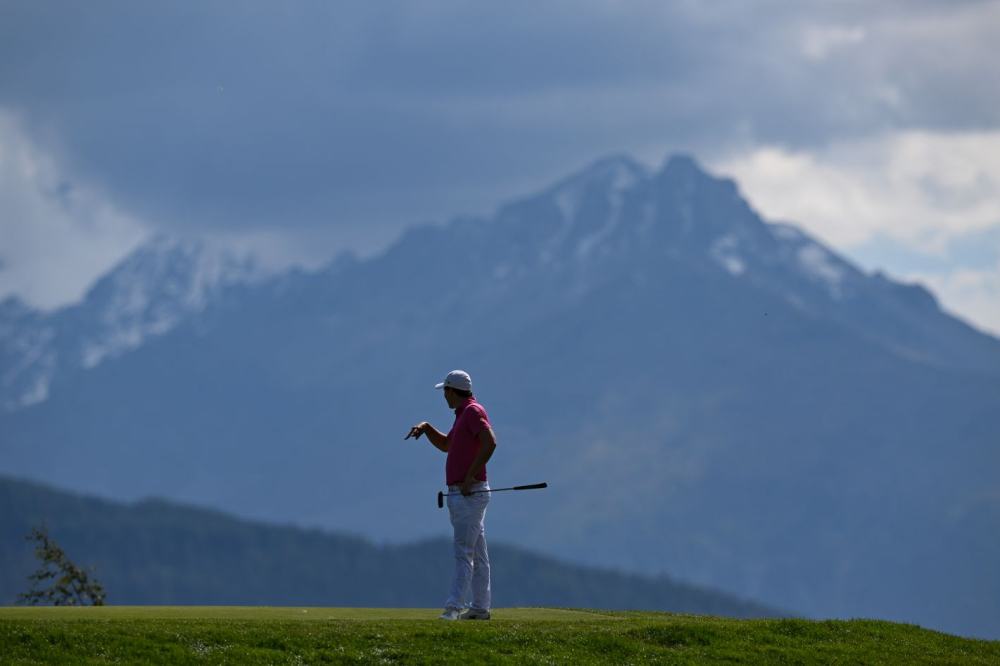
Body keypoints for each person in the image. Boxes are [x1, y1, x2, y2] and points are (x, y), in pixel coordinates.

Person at [407, 369, 497, 620]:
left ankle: (453, 608)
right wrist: (426, 428)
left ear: (452, 390)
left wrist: (470, 477)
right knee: (477, 554)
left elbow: (490, 442)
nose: (443, 396)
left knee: (463, 553)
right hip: (465, 494)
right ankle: (480, 608)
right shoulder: (462, 415)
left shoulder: (472, 412)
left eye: (444, 390)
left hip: (470, 493)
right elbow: (448, 445)